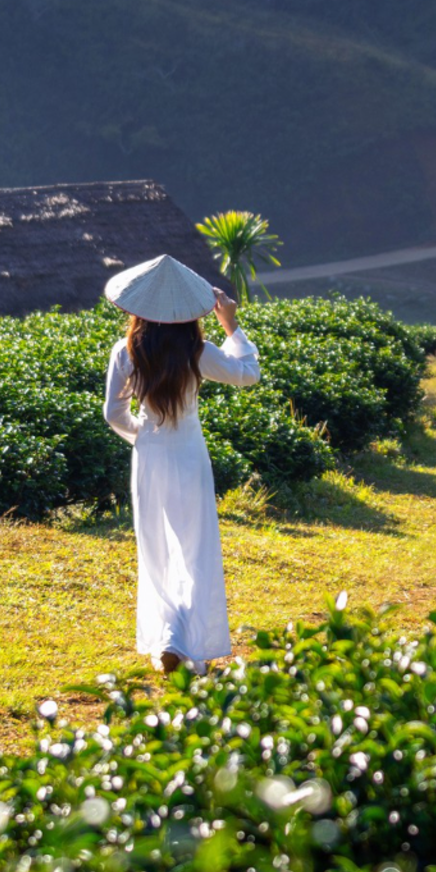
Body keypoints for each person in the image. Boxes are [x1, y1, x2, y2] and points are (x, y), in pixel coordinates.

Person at [101, 257, 261, 674]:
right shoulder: (197, 352)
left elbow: (113, 414)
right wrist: (231, 324)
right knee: (195, 547)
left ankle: (169, 639)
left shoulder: (127, 351)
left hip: (150, 454)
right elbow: (247, 373)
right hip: (189, 452)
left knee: (155, 548)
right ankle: (189, 645)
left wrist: (145, 436)